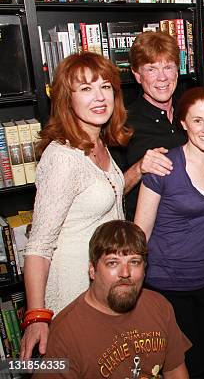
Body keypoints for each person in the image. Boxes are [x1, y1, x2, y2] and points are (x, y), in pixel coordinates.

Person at [22, 52, 132, 359]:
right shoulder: (61, 158)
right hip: (72, 292)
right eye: (85, 89)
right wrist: (37, 316)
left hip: (102, 286)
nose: (99, 97)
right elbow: (39, 246)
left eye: (106, 87)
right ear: (66, 99)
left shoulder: (99, 143)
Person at [134, 86, 204, 378]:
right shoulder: (163, 166)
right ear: (183, 123)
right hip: (166, 286)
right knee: (183, 369)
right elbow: (139, 233)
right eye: (197, 120)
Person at [34, 220, 191, 379]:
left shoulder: (159, 306)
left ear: (144, 269)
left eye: (134, 262)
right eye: (112, 263)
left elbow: (175, 370)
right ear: (92, 270)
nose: (125, 272)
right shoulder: (64, 336)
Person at [114, 31, 187, 220]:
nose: (162, 77)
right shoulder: (122, 123)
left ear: (177, 71)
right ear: (137, 75)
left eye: (168, 67)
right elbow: (110, 194)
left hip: (195, 227)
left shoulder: (191, 110)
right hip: (148, 234)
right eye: (151, 69)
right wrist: (139, 168)